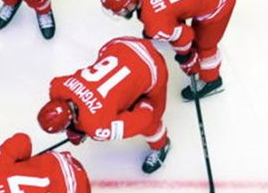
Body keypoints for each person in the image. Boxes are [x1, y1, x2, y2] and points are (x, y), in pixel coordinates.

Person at [101, 0, 240, 101]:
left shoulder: (155, 23)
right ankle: (175, 15)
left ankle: (211, 80)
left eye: (122, 10)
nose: (120, 14)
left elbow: (186, 36)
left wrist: (187, 58)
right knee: (170, 22)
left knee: (205, 44)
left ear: (131, 5)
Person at [38, 36, 171, 173]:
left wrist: (142, 103)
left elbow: (144, 119)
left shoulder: (97, 127)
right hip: (123, 45)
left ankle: (161, 145)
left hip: (153, 68)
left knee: (153, 119)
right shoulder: (58, 87)